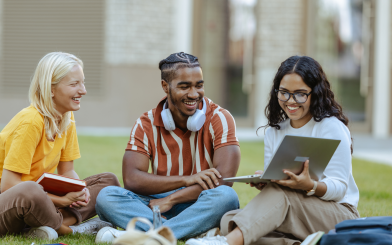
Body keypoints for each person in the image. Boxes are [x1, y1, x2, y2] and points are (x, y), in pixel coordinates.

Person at [185, 55, 360, 245]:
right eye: (284, 92)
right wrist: (266, 181)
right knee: (230, 219)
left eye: (300, 94)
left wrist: (310, 185)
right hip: (294, 207)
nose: (290, 101)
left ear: (315, 93)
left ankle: (227, 243)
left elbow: (340, 189)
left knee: (252, 218)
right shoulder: (275, 132)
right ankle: (303, 242)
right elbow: (277, 190)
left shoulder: (330, 127)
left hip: (338, 213)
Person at [94, 52, 242, 242]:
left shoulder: (220, 118)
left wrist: (172, 199)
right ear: (165, 86)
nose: (194, 94)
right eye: (184, 86)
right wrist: (187, 180)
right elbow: (132, 179)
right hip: (155, 203)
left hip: (200, 201)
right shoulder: (145, 123)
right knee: (107, 196)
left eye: (199, 85)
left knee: (226, 196)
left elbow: (223, 179)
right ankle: (192, 230)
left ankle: (151, 235)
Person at [0, 52, 120, 240]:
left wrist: (78, 192)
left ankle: (40, 226)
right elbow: (9, 187)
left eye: (83, 82)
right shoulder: (31, 122)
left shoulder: (66, 118)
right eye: (74, 84)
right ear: (51, 88)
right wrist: (61, 200)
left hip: (41, 196)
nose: (83, 90)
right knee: (30, 190)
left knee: (108, 182)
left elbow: (67, 172)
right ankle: (71, 229)